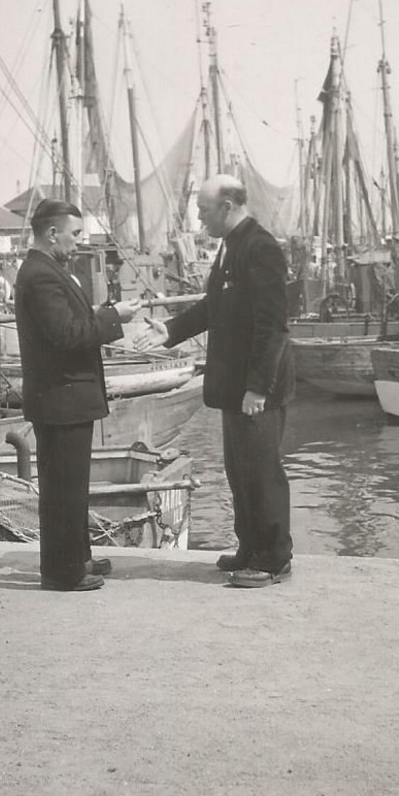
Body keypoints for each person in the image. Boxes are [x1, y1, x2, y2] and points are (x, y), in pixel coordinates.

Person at [142, 175, 295, 588]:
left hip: (256, 390)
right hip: (235, 388)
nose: (198, 218)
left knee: (262, 472)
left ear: (227, 206)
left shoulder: (260, 248)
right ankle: (250, 547)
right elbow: (216, 306)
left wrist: (258, 389)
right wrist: (171, 330)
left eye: (204, 210)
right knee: (239, 470)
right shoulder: (231, 247)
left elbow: (272, 327)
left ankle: (274, 558)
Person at [15, 199, 142, 592]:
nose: (78, 242)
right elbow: (67, 336)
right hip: (61, 400)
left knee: (71, 486)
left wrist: (103, 314)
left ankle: (77, 557)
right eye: (74, 234)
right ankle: (63, 572)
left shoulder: (49, 271)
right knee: (63, 489)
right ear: (52, 233)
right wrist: (113, 318)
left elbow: (70, 324)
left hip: (63, 398)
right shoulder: (41, 275)